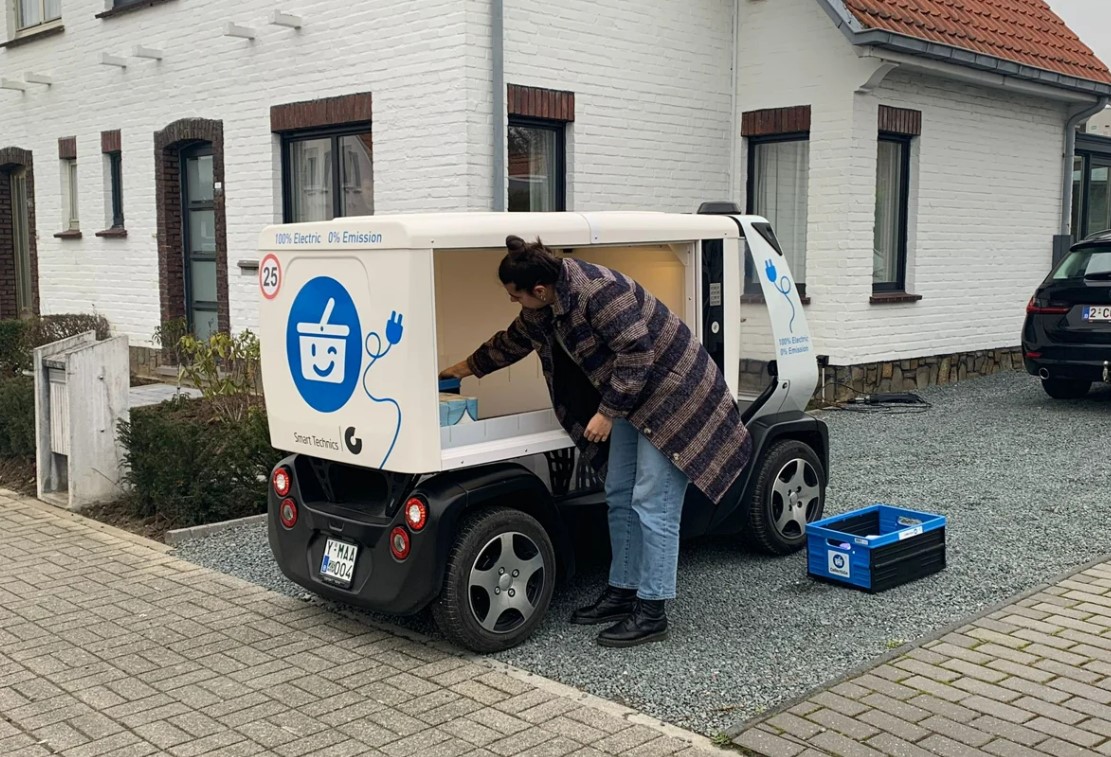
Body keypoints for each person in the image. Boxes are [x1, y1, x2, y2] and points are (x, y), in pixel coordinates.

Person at [439, 235, 752, 648]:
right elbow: (512, 341)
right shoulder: (548, 302)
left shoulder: (602, 292)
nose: (513, 302)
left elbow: (638, 354)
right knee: (620, 492)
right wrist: (459, 371)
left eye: (515, 296)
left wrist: (606, 413)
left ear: (538, 290)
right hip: (631, 396)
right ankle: (623, 591)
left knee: (652, 502)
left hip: (675, 396)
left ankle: (652, 610)